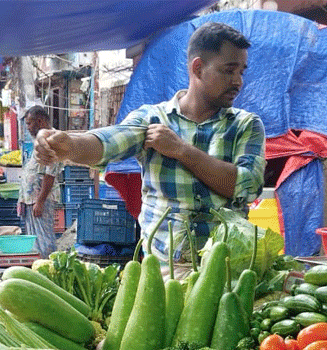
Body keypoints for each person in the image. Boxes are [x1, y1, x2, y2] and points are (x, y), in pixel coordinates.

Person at [34, 21, 266, 267]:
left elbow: (247, 186)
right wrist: (69, 145)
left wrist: (182, 151)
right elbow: (109, 142)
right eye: (229, 70)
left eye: (242, 71)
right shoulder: (153, 120)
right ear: (198, 68)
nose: (238, 81)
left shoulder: (246, 125)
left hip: (228, 269)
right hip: (165, 270)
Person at [19, 106, 59, 257]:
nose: (27, 128)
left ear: (40, 121)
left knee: (44, 238)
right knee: (35, 239)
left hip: (41, 199)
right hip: (33, 199)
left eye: (29, 123)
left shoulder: (53, 140)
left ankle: (49, 267)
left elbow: (51, 174)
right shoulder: (41, 140)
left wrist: (40, 201)